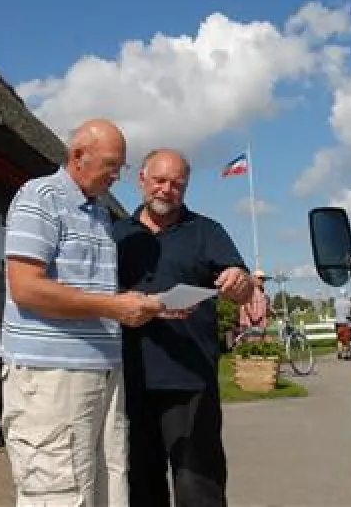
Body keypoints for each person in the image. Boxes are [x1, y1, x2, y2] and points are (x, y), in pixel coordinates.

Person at [0, 118, 165, 507]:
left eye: (121, 166)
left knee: (107, 490)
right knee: (58, 493)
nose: (117, 176)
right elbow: (25, 287)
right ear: (78, 156)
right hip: (53, 378)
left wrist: (138, 305)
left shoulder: (101, 215)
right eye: (111, 165)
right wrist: (114, 306)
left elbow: (90, 293)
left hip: (102, 373)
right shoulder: (39, 197)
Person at [112, 148, 254, 507]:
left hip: (192, 378)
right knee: (140, 484)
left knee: (199, 486)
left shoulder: (207, 231)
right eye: (159, 181)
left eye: (177, 184)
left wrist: (240, 281)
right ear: (141, 179)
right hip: (130, 378)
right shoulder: (115, 235)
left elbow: (243, 286)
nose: (166, 190)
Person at [238, 270, 271, 339]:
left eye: (263, 279)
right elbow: (246, 306)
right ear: (254, 278)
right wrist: (255, 319)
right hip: (250, 327)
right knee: (252, 346)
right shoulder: (249, 290)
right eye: (260, 278)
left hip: (259, 327)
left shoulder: (262, 293)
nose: (262, 281)